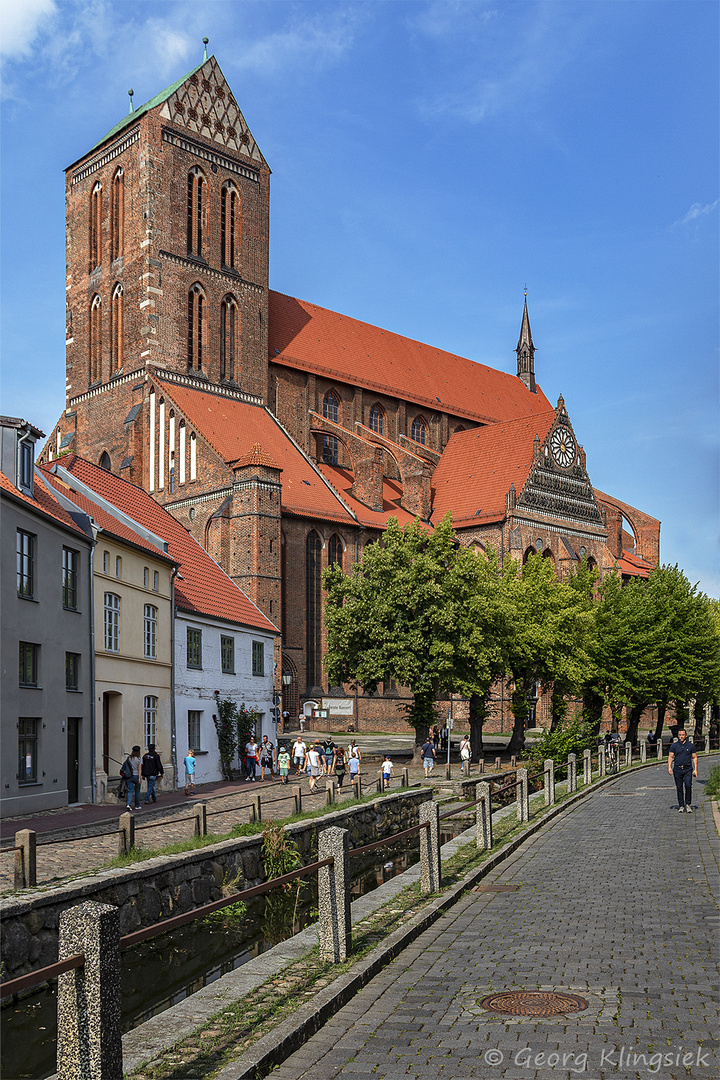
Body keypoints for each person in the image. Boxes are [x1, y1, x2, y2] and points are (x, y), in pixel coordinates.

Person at [668, 729, 698, 813]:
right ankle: (681, 805)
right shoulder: (674, 746)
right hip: (677, 769)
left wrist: (695, 769)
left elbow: (694, 757)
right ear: (678, 736)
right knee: (679, 787)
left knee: (688, 785)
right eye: (680, 735)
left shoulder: (691, 746)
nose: (681, 736)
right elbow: (670, 757)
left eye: (683, 735)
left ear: (686, 736)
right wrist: (669, 767)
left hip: (687, 769)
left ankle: (688, 804)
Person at [122, 746, 143, 810]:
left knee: (130, 791)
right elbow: (139, 768)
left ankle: (128, 804)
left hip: (129, 776)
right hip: (136, 776)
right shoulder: (139, 759)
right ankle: (137, 805)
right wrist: (139, 778)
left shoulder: (129, 758)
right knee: (137, 791)